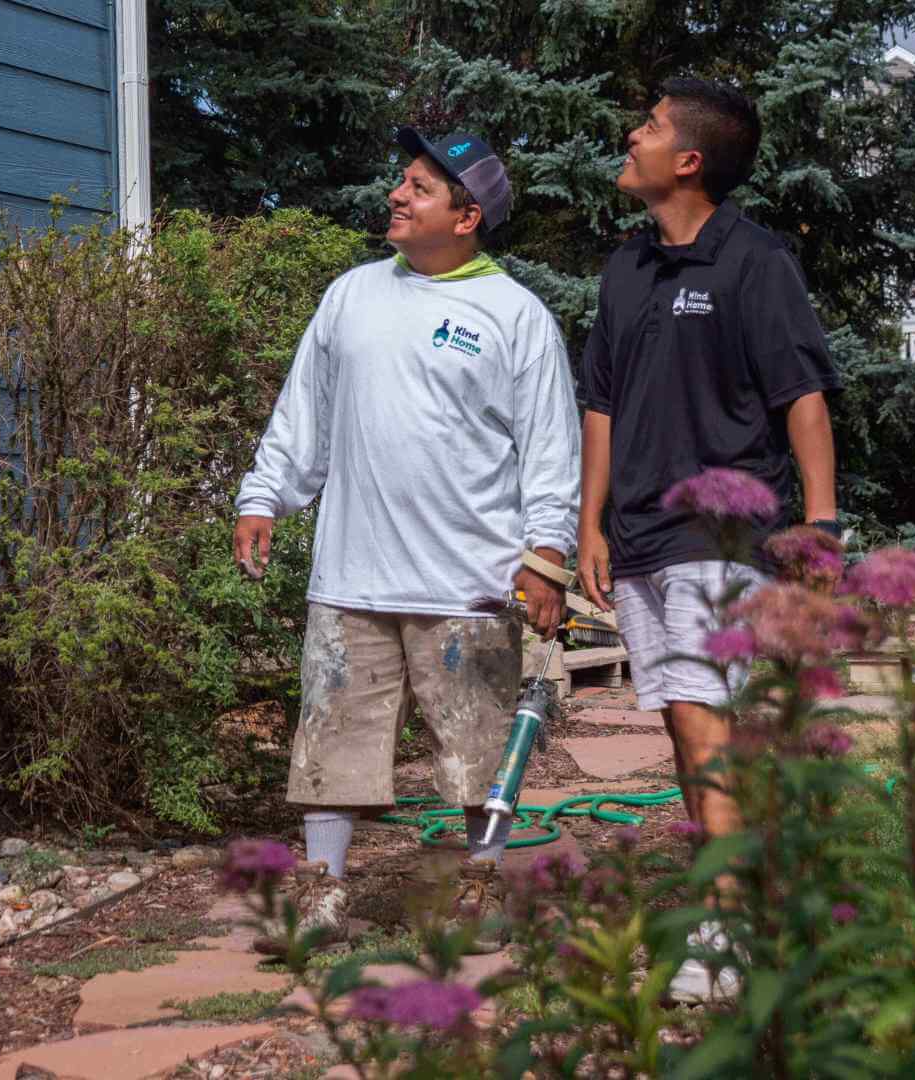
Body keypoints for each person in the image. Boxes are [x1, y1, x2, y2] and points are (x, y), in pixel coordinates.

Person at [234, 127, 581, 953]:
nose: (397, 194)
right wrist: (264, 496)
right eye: (402, 180)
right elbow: (304, 413)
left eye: (420, 187)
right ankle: (320, 897)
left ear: (467, 217)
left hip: (469, 581)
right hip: (351, 575)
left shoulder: (515, 316)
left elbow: (550, 447)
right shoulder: (351, 296)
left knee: (477, 750)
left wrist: (546, 556)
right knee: (329, 743)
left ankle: (478, 891)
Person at [575, 78, 841, 1000]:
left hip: (723, 532)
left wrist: (822, 521)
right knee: (688, 732)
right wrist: (589, 525)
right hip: (639, 532)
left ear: (688, 160)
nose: (631, 135)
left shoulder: (756, 261)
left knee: (704, 722)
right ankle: (739, 908)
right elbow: (601, 403)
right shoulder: (628, 265)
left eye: (648, 126)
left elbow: (802, 397)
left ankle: (723, 932)